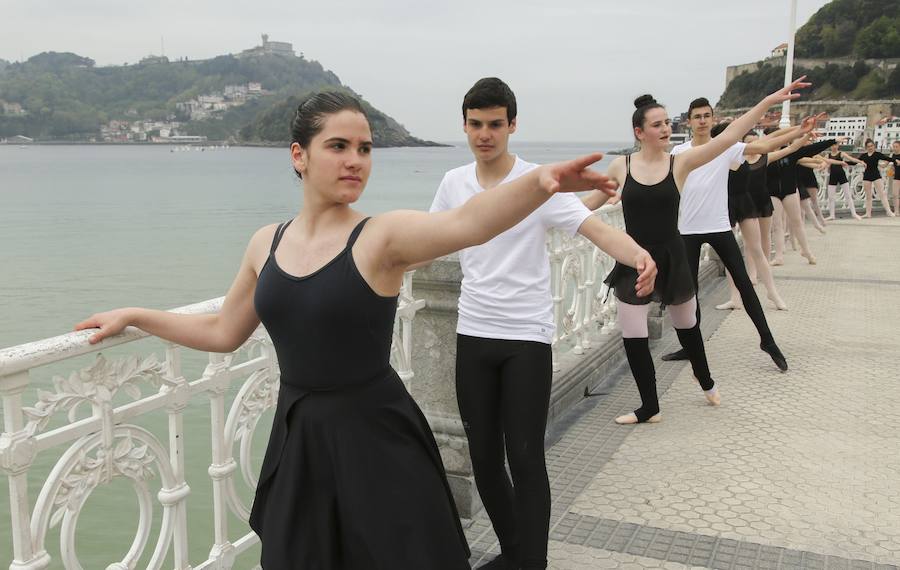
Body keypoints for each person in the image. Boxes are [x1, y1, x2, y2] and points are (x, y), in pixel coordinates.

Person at [74, 91, 621, 570]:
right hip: (299, 440)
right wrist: (138, 315)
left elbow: (467, 223)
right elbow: (223, 331)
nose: (355, 160)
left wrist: (541, 183)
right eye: (338, 146)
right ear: (299, 155)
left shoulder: (381, 237)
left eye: (364, 149)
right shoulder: (265, 242)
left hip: (376, 438)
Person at [428, 77, 657, 570]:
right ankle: (517, 554)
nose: (484, 134)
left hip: (526, 338)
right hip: (473, 332)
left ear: (512, 125)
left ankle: (533, 561)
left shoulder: (540, 181)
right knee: (484, 459)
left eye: (494, 124)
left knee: (526, 456)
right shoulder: (453, 184)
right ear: (464, 126)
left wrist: (639, 255)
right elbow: (428, 239)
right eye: (475, 125)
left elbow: (594, 229)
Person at [581, 77, 811, 424]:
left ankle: (704, 379)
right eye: (656, 125)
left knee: (686, 324)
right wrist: (540, 213)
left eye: (665, 123)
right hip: (633, 257)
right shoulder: (621, 167)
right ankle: (649, 407)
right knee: (633, 333)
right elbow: (589, 204)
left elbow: (732, 135)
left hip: (672, 256)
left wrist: (767, 100)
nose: (664, 129)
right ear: (638, 132)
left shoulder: (680, 162)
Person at [653, 96, 816, 369]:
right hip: (687, 231)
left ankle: (768, 340)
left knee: (744, 284)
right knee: (686, 293)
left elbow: (763, 147)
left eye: (707, 116)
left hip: (719, 227)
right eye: (698, 117)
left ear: (712, 119)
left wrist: (799, 133)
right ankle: (690, 347)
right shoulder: (677, 154)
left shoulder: (726, 148)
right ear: (690, 122)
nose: (703, 121)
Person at [714, 128, 787, 311]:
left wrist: (800, 132)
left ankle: (772, 293)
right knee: (730, 255)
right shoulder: (714, 156)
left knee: (756, 249)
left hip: (745, 203)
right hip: (724, 205)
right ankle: (734, 298)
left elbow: (772, 141)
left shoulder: (741, 150)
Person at [764, 131, 835, 266]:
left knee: (797, 221)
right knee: (777, 225)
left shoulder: (789, 151)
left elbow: (809, 149)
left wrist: (833, 141)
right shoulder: (764, 154)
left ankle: (806, 251)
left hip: (789, 191)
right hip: (772, 192)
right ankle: (779, 256)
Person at [824, 143, 863, 220]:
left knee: (848, 195)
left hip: (842, 176)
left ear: (838, 146)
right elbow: (825, 163)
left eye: (835, 145)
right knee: (831, 197)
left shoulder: (841, 154)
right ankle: (832, 215)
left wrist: (861, 162)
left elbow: (851, 159)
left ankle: (854, 214)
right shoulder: (827, 156)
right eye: (832, 145)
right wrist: (822, 167)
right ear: (830, 146)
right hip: (832, 177)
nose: (834, 147)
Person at [858, 139, 895, 218]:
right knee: (868, 196)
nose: (870, 148)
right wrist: (844, 162)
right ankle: (868, 213)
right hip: (867, 176)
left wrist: (895, 160)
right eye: (868, 146)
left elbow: (887, 158)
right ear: (866, 147)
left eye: (871, 146)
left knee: (882, 194)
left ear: (874, 146)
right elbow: (855, 161)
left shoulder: (877, 154)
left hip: (876, 175)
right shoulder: (864, 156)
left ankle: (889, 211)